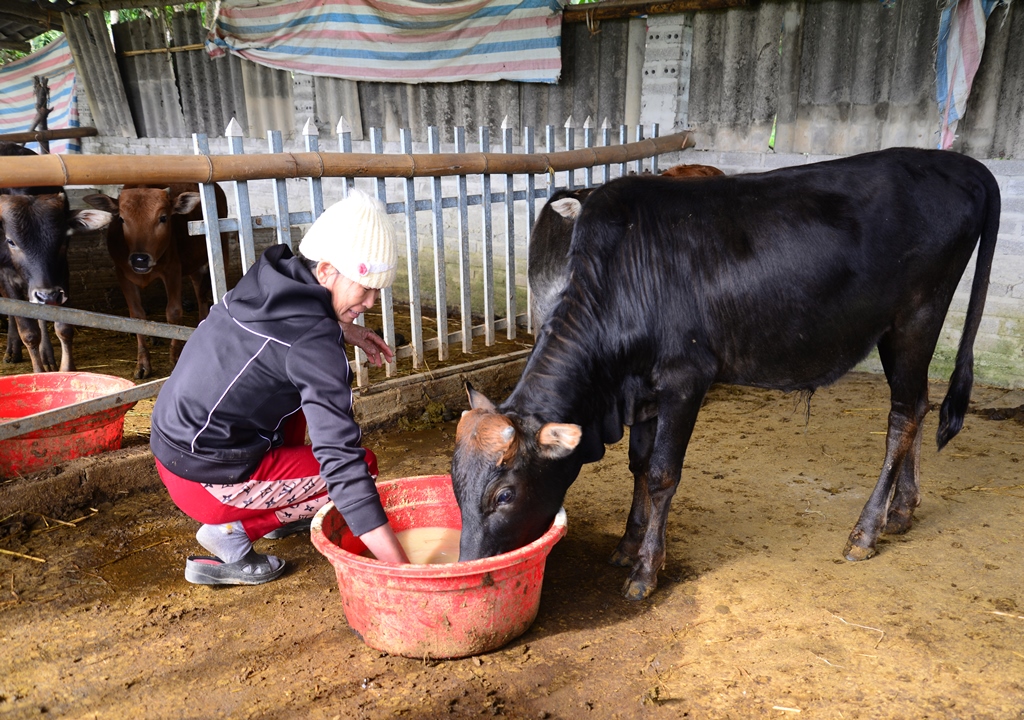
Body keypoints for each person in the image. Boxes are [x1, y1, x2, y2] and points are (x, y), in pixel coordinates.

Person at [150, 189, 410, 585]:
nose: (372, 301)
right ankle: (232, 535)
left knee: (297, 405)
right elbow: (342, 462)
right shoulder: (313, 343)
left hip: (174, 446)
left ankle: (273, 507)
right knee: (364, 469)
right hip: (205, 480)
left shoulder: (270, 276)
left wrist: (347, 329)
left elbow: (285, 334)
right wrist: (403, 568)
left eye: (378, 289)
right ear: (325, 271)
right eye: (365, 287)